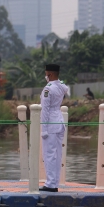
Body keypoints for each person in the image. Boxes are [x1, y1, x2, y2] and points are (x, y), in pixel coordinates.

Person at [39, 64, 68, 192]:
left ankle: (50, 184)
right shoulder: (61, 86)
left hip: (51, 123)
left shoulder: (48, 89)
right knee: (57, 155)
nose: (45, 76)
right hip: (59, 122)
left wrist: (43, 129)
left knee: (49, 154)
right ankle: (54, 183)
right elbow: (66, 88)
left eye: (46, 74)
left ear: (49, 74)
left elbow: (45, 110)